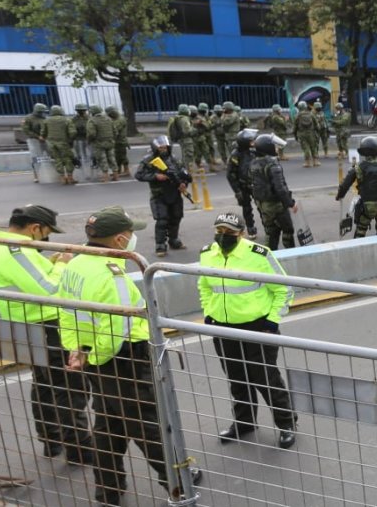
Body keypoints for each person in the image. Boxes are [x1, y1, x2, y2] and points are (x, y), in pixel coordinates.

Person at [56, 206, 203, 506]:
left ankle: (108, 489)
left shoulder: (75, 264)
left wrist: (78, 350)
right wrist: (97, 355)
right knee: (148, 423)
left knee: (109, 425)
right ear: (121, 240)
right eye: (132, 234)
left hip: (93, 359)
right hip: (124, 360)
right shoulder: (112, 275)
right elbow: (116, 329)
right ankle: (177, 483)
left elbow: (65, 312)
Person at [0, 205, 93, 464]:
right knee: (69, 387)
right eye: (46, 232)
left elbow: (28, 277)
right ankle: (80, 449)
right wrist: (63, 265)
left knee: (43, 384)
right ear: (34, 228)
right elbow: (50, 290)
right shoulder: (15, 249)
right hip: (43, 325)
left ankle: (50, 440)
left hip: (19, 323)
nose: (45, 238)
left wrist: (49, 263)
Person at [197, 213, 297, 449]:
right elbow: (203, 285)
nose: (223, 236)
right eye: (219, 231)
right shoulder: (206, 253)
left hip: (258, 327)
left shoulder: (258, 255)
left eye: (229, 232)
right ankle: (244, 422)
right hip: (223, 327)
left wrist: (272, 323)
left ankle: (286, 424)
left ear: (241, 233)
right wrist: (208, 312)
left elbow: (284, 289)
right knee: (236, 378)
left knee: (266, 379)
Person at [134, 136, 192, 258]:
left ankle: (174, 240)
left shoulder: (174, 159)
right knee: (162, 220)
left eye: (165, 147)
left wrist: (183, 184)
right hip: (159, 194)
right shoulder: (149, 160)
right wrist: (156, 176)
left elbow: (183, 173)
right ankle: (160, 245)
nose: (163, 149)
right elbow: (139, 175)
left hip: (175, 193)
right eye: (161, 148)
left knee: (176, 217)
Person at [250, 134, 298, 250]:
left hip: (262, 204)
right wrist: (290, 203)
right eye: (274, 146)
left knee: (271, 231)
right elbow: (280, 188)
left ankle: (270, 258)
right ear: (268, 148)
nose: (276, 148)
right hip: (275, 205)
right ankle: (291, 255)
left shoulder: (254, 163)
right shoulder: (273, 164)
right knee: (288, 230)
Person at [226, 128, 260, 239]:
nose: (253, 142)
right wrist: (237, 191)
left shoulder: (253, 151)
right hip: (243, 186)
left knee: (262, 206)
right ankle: (251, 229)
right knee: (246, 208)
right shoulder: (236, 155)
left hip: (256, 184)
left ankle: (268, 225)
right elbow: (230, 174)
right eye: (251, 141)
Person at [43, 104, 77, 184]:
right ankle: (70, 178)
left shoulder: (46, 120)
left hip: (51, 144)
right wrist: (70, 140)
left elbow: (43, 133)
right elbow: (72, 132)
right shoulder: (67, 120)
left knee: (57, 160)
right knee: (68, 159)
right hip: (64, 143)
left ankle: (62, 178)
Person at [23, 102, 49, 181]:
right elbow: (26, 130)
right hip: (34, 141)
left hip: (45, 140)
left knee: (51, 157)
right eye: (41, 112)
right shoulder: (28, 118)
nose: (43, 113)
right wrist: (37, 136)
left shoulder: (44, 118)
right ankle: (36, 175)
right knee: (36, 159)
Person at [106, 106, 130, 179]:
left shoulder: (120, 120)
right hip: (117, 141)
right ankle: (118, 171)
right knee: (118, 156)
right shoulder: (116, 119)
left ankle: (126, 171)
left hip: (120, 141)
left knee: (121, 157)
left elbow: (115, 130)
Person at [294, 101, 320, 167]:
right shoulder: (311, 114)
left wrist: (295, 135)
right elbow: (317, 125)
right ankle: (315, 162)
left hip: (302, 134)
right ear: (305, 107)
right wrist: (317, 132)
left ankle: (307, 163)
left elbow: (295, 127)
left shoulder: (297, 116)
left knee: (306, 148)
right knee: (313, 147)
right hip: (311, 133)